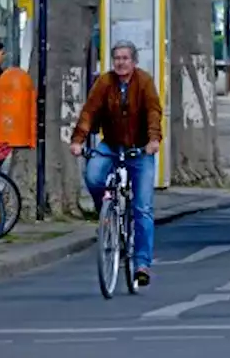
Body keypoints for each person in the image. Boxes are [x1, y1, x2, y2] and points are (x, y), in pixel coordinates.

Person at [69, 41, 163, 287]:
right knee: (93, 176)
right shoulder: (105, 82)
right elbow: (89, 111)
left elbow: (154, 111)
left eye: (125, 58)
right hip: (110, 144)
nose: (120, 63)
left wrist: (153, 140)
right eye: (117, 58)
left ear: (134, 62)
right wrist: (78, 140)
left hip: (139, 148)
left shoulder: (144, 82)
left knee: (142, 207)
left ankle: (142, 263)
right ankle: (107, 215)